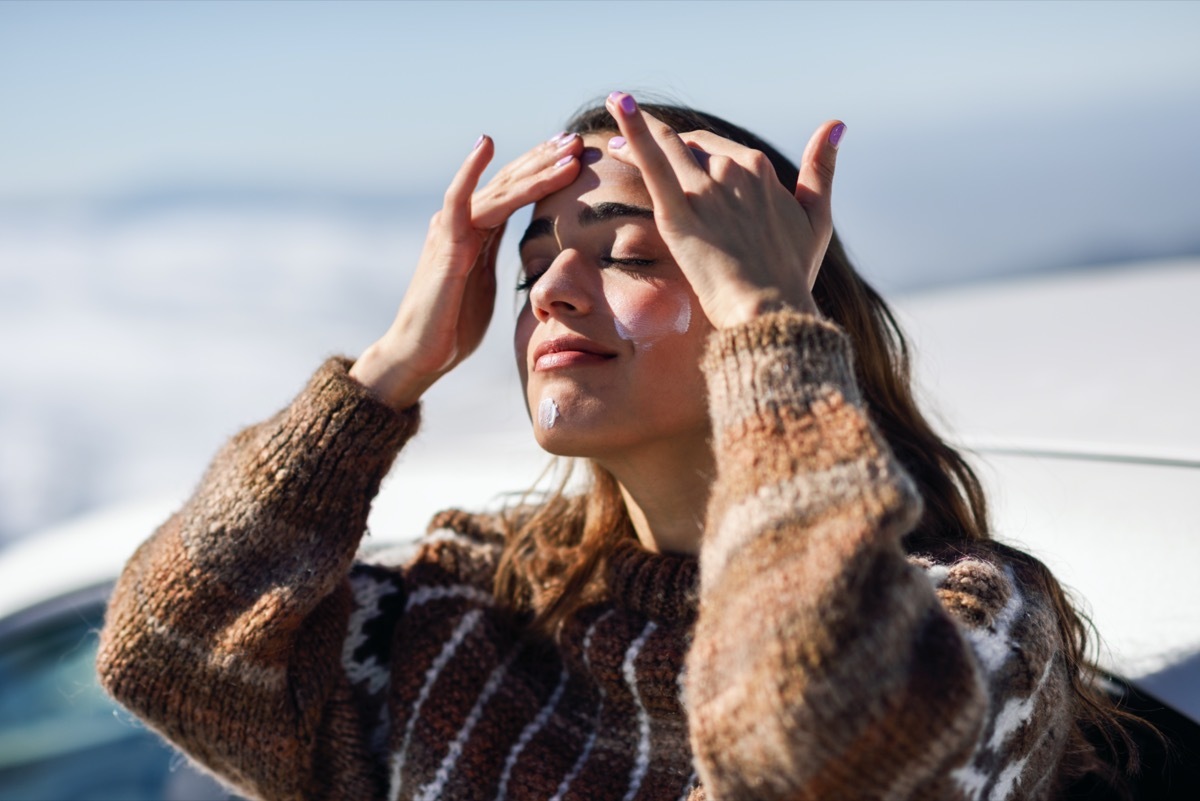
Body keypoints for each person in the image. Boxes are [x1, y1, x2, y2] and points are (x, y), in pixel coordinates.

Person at [97, 92, 1136, 800]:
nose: (548, 288)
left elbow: (812, 752)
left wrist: (770, 331)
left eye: (633, 253)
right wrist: (387, 371)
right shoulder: (470, 610)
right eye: (528, 266)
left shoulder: (965, 629)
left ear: (769, 312)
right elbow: (165, 652)